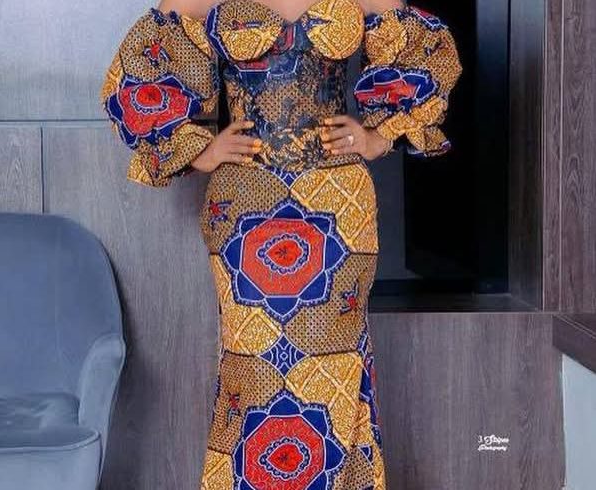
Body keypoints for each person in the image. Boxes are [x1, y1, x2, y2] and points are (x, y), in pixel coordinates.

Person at [100, 0, 462, 487]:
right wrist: (203, 150)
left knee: (338, 362)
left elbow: (430, 52)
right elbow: (137, 73)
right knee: (251, 369)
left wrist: (379, 137)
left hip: (338, 208)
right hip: (244, 208)